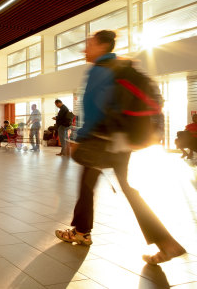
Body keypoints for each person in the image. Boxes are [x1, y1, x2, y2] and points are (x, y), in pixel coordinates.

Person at [55, 30, 186, 265]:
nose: (85, 49)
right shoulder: (120, 67)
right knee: (126, 188)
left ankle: (82, 232)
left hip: (100, 140)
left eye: (90, 44)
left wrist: (80, 138)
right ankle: (167, 243)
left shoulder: (98, 71)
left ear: (103, 46)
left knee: (87, 185)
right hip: (120, 140)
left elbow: (94, 109)